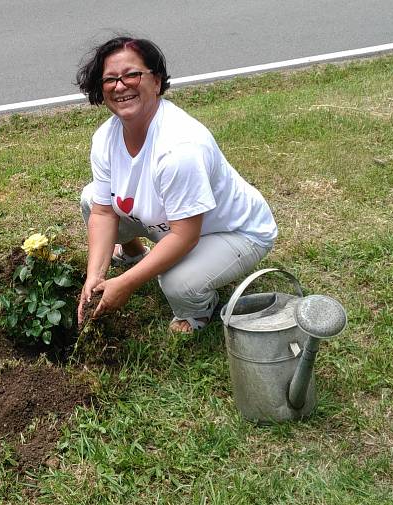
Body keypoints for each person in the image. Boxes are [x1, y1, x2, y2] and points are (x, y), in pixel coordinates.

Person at [75, 36, 277, 333]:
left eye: (132, 75)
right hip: (168, 222)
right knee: (91, 199)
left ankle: (197, 312)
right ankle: (133, 253)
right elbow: (104, 213)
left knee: (177, 282)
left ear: (156, 82)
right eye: (110, 79)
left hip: (232, 233)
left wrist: (127, 284)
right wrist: (95, 274)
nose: (120, 86)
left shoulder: (179, 147)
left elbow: (184, 236)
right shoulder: (106, 138)